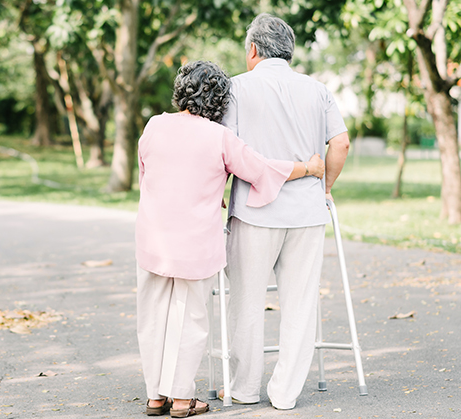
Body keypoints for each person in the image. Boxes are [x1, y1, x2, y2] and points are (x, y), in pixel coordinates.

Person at [136, 60, 325, 418]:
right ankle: (180, 399)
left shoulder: (154, 126)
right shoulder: (218, 137)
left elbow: (147, 173)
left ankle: (155, 396)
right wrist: (310, 168)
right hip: (196, 245)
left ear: (180, 91)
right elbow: (261, 169)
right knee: (190, 318)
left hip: (153, 239)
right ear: (219, 101)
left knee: (153, 315)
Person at [220, 14, 351, 410]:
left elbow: (223, 148)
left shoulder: (237, 88)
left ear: (253, 50)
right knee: (300, 302)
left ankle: (243, 389)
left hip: (255, 213)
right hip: (307, 211)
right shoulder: (317, 89)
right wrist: (324, 187)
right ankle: (285, 393)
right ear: (289, 51)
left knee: (245, 301)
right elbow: (341, 144)